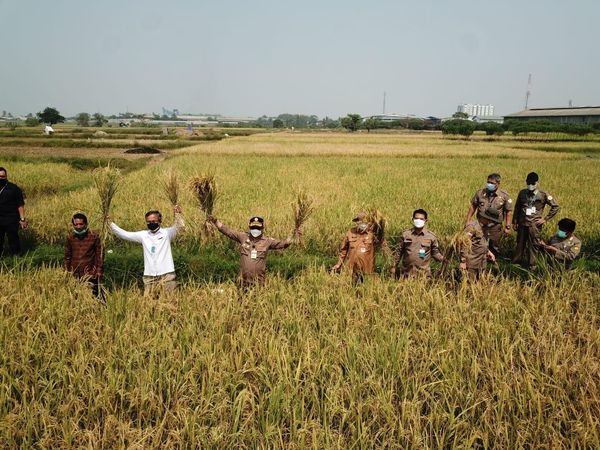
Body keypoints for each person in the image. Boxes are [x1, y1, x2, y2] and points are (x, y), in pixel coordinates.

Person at [110, 206, 184, 295]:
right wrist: (110, 223)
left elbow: (180, 228)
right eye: (148, 222)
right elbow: (125, 234)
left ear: (160, 221)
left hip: (167, 274)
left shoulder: (167, 233)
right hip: (150, 276)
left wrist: (178, 214)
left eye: (153, 221)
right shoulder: (143, 235)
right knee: (149, 302)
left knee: (170, 301)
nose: (151, 223)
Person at [208, 215, 298, 289]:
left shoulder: (267, 241)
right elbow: (229, 232)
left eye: (257, 228)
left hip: (258, 283)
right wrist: (216, 222)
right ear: (250, 227)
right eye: (253, 227)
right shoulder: (243, 237)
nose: (255, 230)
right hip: (243, 282)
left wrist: (293, 236)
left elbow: (283, 244)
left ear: (262, 228)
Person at [513, 172, 560, 269]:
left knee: (534, 244)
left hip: (535, 225)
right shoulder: (522, 193)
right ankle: (517, 262)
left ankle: (532, 265)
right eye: (529, 183)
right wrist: (515, 221)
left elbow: (555, 206)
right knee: (520, 243)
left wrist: (545, 219)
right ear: (526, 182)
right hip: (522, 223)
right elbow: (517, 207)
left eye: (533, 183)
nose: (531, 185)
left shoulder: (543, 195)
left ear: (537, 183)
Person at [332, 211, 389, 283]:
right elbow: (343, 251)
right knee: (351, 289)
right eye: (358, 221)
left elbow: (382, 244)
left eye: (363, 221)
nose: (360, 223)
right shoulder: (350, 232)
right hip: (352, 270)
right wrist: (338, 264)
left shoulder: (373, 234)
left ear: (368, 222)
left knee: (366, 290)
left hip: (367, 271)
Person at [465, 173, 513, 257]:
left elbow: (508, 212)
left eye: (492, 183)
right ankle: (478, 262)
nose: (489, 184)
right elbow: (473, 206)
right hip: (480, 225)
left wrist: (508, 226)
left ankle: (493, 264)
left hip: (495, 226)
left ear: (498, 184)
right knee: (478, 244)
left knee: (494, 246)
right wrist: (468, 221)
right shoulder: (480, 193)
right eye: (488, 182)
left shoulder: (504, 195)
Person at [391, 209, 446, 278]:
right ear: (412, 219)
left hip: (423, 275)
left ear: (426, 220)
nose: (418, 221)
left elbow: (435, 253)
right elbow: (398, 252)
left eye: (421, 219)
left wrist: (444, 259)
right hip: (406, 274)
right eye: (416, 218)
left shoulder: (431, 236)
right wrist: (393, 266)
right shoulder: (405, 234)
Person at [64, 213, 103, 297]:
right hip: (75, 273)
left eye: (81, 224)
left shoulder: (94, 236)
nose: (78, 227)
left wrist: (98, 271)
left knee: (94, 296)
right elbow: (67, 256)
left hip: (90, 273)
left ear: (86, 224)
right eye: (76, 224)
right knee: (76, 296)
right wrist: (66, 271)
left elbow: (99, 255)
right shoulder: (70, 238)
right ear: (73, 225)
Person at [460, 207, 499, 279]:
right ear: (487, 219)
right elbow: (464, 243)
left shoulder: (485, 227)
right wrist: (463, 261)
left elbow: (483, 242)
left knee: (480, 284)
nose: (492, 223)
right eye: (492, 221)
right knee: (469, 284)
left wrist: (488, 252)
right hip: (471, 263)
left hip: (482, 263)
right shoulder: (472, 227)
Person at [0, 167, 27, 257]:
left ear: (6, 176)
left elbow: (20, 204)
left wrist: (22, 219)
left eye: (3, 177)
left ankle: (16, 256)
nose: (1, 178)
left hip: (11, 219)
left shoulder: (14, 188)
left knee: (13, 239)